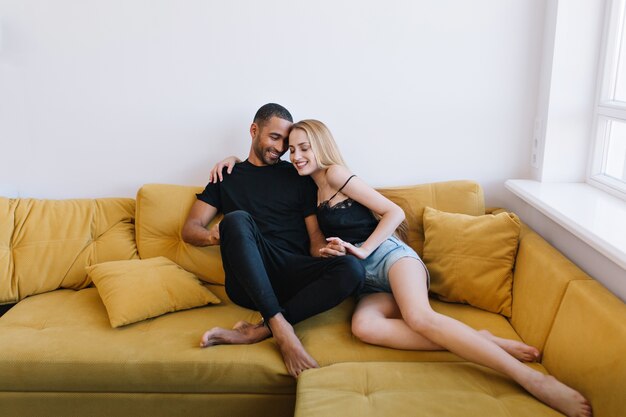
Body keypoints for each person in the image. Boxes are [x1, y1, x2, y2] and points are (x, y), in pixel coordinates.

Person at [280, 119, 592, 417]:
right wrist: (330, 251)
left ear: (320, 146)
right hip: (368, 281)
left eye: (304, 147)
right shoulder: (310, 190)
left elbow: (393, 212)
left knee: (419, 318)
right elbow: (316, 244)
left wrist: (362, 250)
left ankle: (531, 379)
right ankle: (481, 339)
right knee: (365, 328)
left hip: (392, 259)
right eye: (292, 149)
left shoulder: (336, 174)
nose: (296, 156)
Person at [181, 105, 364, 378]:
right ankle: (281, 330)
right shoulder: (227, 176)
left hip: (292, 273)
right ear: (254, 130)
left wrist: (325, 251)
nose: (280, 148)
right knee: (236, 219)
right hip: (247, 282)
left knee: (352, 269)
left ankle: (259, 330)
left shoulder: (296, 176)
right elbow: (189, 229)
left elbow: (314, 238)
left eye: (285, 142)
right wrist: (211, 236)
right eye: (274, 137)